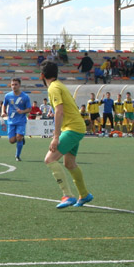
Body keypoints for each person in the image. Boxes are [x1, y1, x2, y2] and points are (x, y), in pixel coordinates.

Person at [40, 61, 93, 209]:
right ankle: (84, 194)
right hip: (75, 127)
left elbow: (59, 111)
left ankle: (68, 195)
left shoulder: (53, 88)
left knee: (50, 159)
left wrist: (56, 137)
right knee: (69, 163)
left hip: (73, 128)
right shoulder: (59, 85)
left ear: (42, 76)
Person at [1, 78, 32, 162]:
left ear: (19, 85)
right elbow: (4, 105)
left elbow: (29, 109)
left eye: (15, 84)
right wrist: (3, 112)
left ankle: (17, 156)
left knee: (18, 137)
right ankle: (21, 139)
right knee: (11, 141)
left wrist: (22, 111)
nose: (14, 86)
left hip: (21, 120)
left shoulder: (25, 96)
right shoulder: (8, 96)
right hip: (11, 120)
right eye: (12, 85)